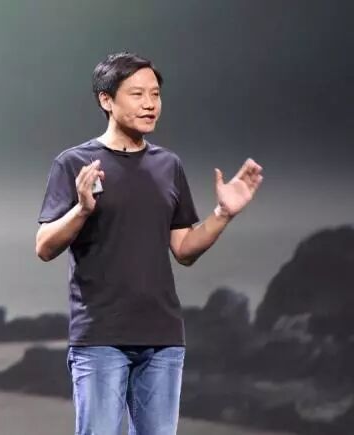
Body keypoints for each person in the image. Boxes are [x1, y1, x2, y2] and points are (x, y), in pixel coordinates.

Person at [35, 52, 263, 435]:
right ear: (106, 100)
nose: (149, 104)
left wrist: (223, 214)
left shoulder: (168, 165)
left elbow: (184, 249)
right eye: (137, 94)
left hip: (163, 338)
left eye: (155, 94)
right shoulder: (74, 163)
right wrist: (82, 209)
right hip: (101, 337)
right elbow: (44, 246)